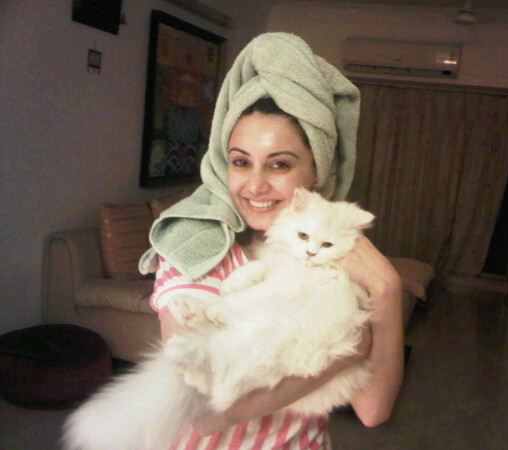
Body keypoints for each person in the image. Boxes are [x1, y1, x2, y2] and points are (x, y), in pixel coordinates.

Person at [140, 33, 404, 449]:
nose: (255, 186)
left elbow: (374, 410)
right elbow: (204, 410)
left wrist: (387, 288)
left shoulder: (331, 248)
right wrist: (352, 349)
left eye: (279, 164)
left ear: (315, 173)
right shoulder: (194, 247)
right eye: (241, 162)